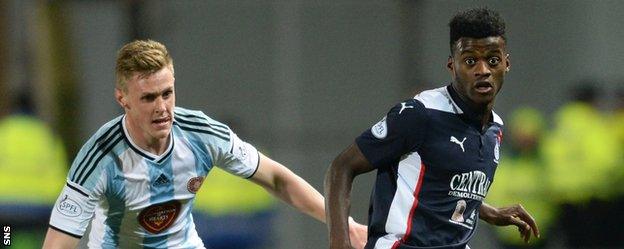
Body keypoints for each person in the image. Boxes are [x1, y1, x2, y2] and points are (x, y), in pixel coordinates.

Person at [42, 39, 367, 249]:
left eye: (167, 93)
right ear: (122, 99)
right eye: (148, 97)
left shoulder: (201, 133)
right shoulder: (100, 158)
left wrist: (344, 224)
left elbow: (277, 178)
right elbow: (57, 244)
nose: (162, 107)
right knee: (8, 236)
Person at [325, 8, 539, 249]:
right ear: (452, 65)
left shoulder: (494, 129)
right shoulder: (420, 114)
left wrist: (487, 211)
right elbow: (341, 168)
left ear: (506, 64)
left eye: (492, 60)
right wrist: (339, 243)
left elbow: (443, 186)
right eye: (470, 60)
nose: (483, 70)